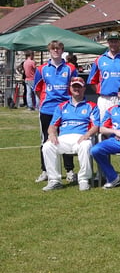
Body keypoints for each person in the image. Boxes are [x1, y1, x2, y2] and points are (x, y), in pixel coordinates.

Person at [40, 77, 99, 191]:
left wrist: (87, 135)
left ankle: (83, 180)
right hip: (64, 138)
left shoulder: (91, 106)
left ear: (84, 89)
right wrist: (52, 135)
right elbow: (53, 125)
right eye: (74, 86)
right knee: (47, 146)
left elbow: (96, 126)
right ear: (70, 88)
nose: (77, 89)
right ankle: (54, 180)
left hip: (82, 137)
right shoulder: (62, 106)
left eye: (79, 87)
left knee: (85, 145)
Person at [33, 40, 78, 183]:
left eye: (58, 48)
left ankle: (70, 171)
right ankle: (45, 170)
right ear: (49, 51)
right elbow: (37, 89)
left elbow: (75, 87)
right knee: (46, 140)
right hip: (47, 109)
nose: (56, 51)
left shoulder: (70, 68)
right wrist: (46, 101)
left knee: (66, 139)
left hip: (65, 109)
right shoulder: (41, 69)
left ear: (62, 50)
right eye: (53, 49)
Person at [87, 31, 120, 118]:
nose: (113, 44)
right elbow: (92, 81)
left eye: (116, 41)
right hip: (105, 99)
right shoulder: (99, 60)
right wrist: (101, 91)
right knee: (103, 125)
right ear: (108, 42)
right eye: (111, 41)